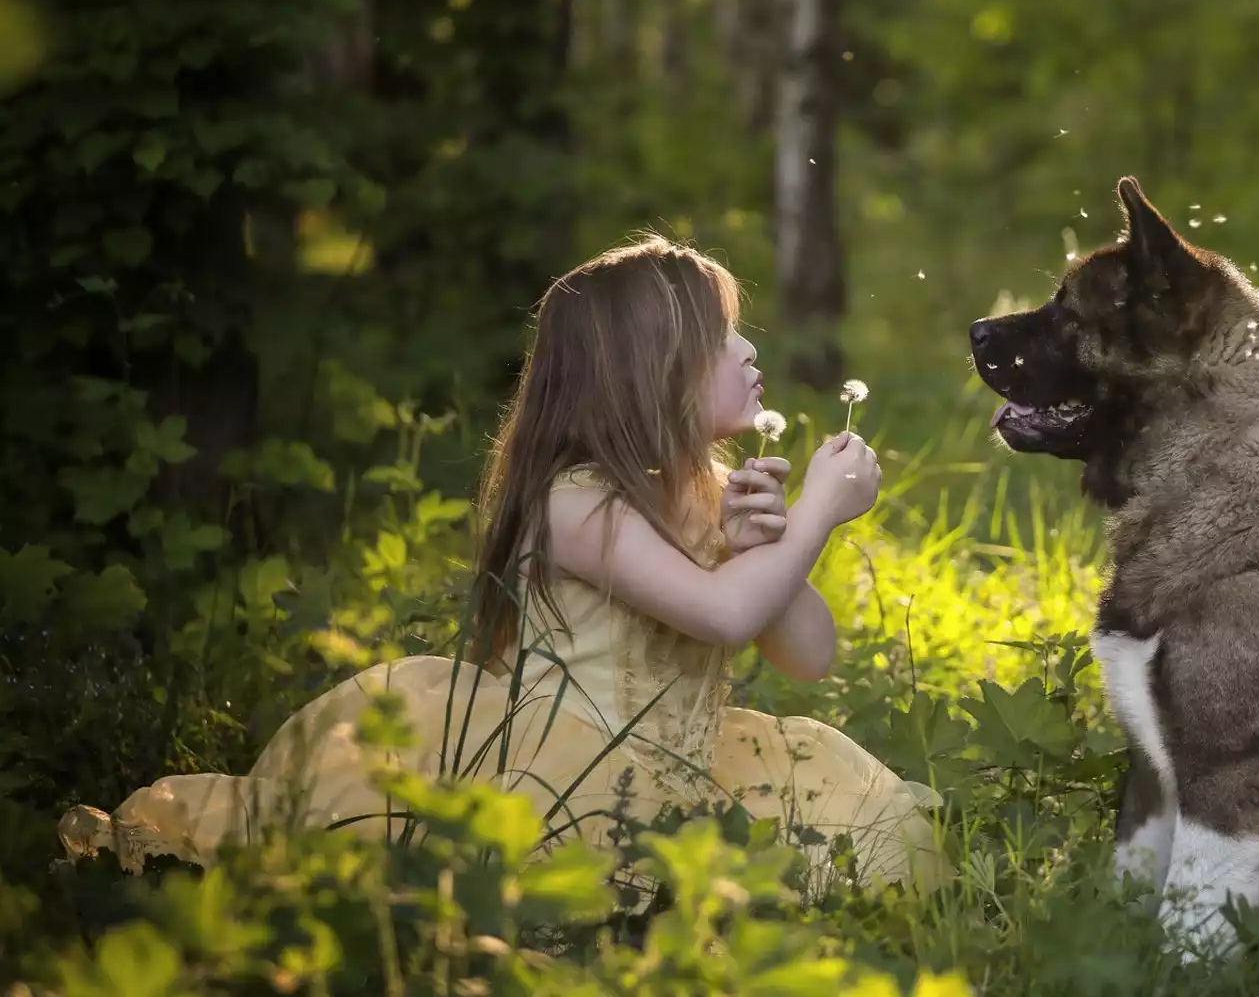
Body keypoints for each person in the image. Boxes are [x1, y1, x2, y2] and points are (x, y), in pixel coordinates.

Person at [59, 236, 948, 896]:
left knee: (873, 836)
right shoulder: (577, 501)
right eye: (725, 339)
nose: (751, 353)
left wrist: (774, 545)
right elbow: (718, 616)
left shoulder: (708, 490)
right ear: (656, 372)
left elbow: (806, 655)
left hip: (689, 764)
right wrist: (821, 514)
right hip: (566, 771)